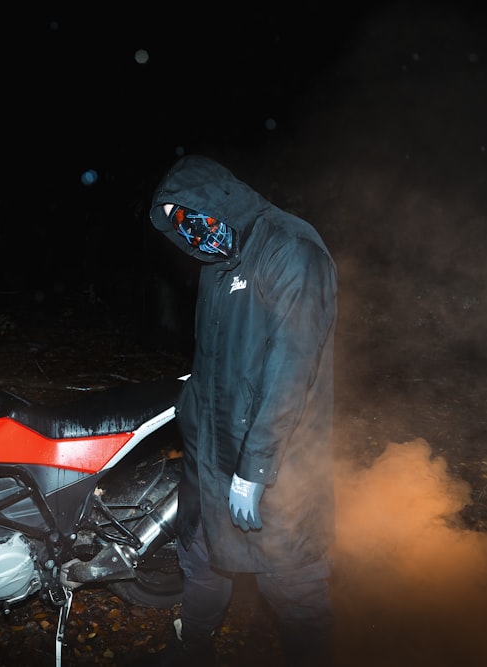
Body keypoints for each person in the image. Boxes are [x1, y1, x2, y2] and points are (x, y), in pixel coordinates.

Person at [142, 154, 338, 666]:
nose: (194, 238)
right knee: (200, 559)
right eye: (181, 229)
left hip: (280, 460)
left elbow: (291, 371)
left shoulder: (290, 249)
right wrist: (190, 411)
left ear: (219, 199)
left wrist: (254, 470)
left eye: (194, 218)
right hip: (212, 450)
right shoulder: (216, 266)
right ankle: (192, 652)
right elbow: (209, 360)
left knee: (291, 579)